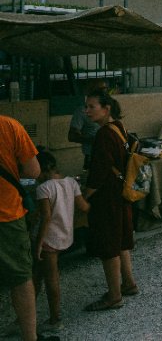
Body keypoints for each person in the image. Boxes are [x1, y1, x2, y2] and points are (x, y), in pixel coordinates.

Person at [82, 91, 139, 311]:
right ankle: (128, 283)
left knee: (108, 244)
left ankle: (114, 295)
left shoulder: (104, 134)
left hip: (107, 196)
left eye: (91, 106)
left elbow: (99, 170)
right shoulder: (120, 127)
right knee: (122, 238)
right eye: (86, 106)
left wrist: (86, 194)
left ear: (106, 109)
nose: (87, 111)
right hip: (121, 191)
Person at [33, 151, 90, 333]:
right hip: (65, 236)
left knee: (49, 278)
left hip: (49, 239)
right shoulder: (71, 182)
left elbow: (46, 218)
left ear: (39, 170)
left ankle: (55, 319)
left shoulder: (43, 188)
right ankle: (25, 315)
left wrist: (38, 244)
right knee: (37, 276)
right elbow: (84, 207)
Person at [0, 115, 40, 341]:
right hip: (8, 215)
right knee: (20, 278)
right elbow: (33, 171)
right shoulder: (10, 126)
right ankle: (29, 337)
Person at [67, 80, 108, 173]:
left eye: (105, 89)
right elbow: (72, 136)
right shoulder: (82, 111)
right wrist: (94, 140)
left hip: (109, 155)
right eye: (101, 90)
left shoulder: (108, 108)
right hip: (92, 157)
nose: (104, 92)